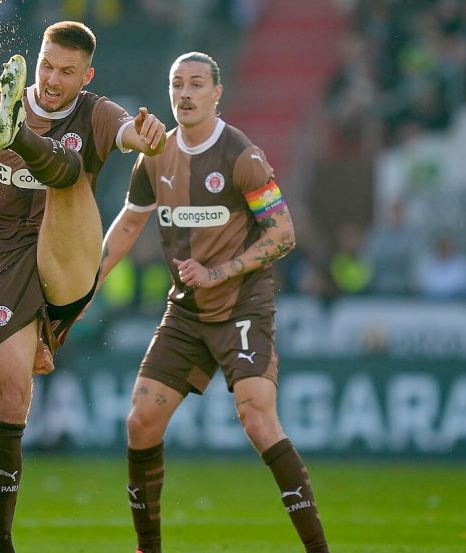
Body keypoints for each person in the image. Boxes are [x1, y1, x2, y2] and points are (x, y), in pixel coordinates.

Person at [0, 21, 167, 553]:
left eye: (67, 72)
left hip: (66, 249)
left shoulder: (96, 112)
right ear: (35, 61)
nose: (54, 78)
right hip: (2, 262)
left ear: (87, 76)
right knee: (13, 394)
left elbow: (131, 132)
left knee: (69, 170)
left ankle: (17, 136)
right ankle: (2, 541)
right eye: (46, 66)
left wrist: (147, 137)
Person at [96, 52, 329, 553]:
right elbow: (131, 223)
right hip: (186, 311)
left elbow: (283, 233)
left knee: (257, 417)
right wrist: (86, 285)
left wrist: (217, 272)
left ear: (216, 92)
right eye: (177, 84)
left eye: (196, 84)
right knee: (140, 422)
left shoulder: (241, 155)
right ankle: (148, 548)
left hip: (242, 304)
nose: (184, 93)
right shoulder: (154, 154)